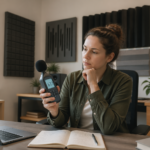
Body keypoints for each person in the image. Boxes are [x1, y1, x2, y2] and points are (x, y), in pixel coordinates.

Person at [39, 24, 132, 135]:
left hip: (111, 142)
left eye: (94, 52)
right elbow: (60, 121)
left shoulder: (123, 81)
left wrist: (93, 84)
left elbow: (109, 128)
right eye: (85, 49)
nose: (85, 56)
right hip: (77, 139)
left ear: (109, 57)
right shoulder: (72, 78)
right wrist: (54, 111)